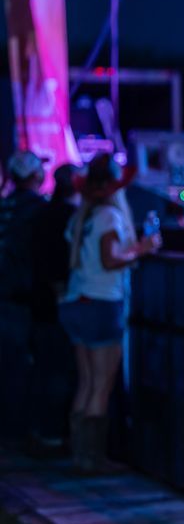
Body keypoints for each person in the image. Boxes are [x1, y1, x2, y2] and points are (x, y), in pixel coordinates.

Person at [58, 154, 160, 473]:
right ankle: (92, 459)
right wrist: (143, 248)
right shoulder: (108, 217)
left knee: (87, 382)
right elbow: (110, 259)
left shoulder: (82, 216)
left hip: (77, 300)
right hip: (102, 302)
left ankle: (80, 455)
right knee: (101, 385)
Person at [29, 164, 81, 452]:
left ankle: (43, 430)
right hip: (59, 303)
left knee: (44, 368)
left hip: (38, 302)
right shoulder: (70, 218)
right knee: (61, 370)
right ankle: (55, 433)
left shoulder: (42, 214)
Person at [0, 151, 47, 438]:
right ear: (34, 176)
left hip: (8, 298)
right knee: (19, 368)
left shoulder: (5, 207)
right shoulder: (37, 210)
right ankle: (16, 432)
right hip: (21, 301)